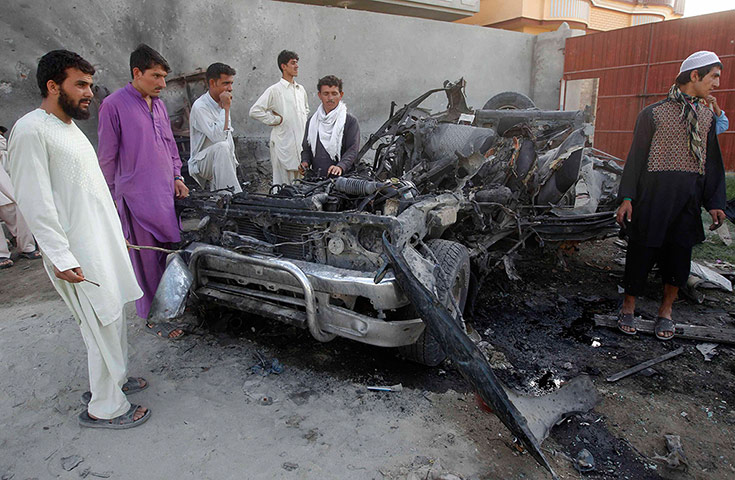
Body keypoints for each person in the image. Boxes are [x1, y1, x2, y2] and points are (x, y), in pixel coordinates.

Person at [7, 50, 149, 428]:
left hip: (101, 243)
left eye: (90, 84)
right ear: (53, 86)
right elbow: (34, 202)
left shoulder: (68, 128)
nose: (89, 92)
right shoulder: (30, 130)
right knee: (98, 323)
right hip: (76, 252)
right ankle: (105, 407)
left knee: (112, 314)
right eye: (80, 85)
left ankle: (114, 381)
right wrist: (59, 255)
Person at [616, 50, 726, 341]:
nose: (716, 83)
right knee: (641, 252)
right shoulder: (652, 114)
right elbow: (636, 159)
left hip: (688, 200)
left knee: (679, 256)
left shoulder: (707, 118)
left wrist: (715, 203)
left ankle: (665, 312)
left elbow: (713, 162)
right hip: (653, 198)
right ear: (694, 76)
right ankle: (628, 305)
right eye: (713, 76)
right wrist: (627, 198)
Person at [97, 44, 187, 338]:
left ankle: (171, 305)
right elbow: (107, 159)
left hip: (165, 195)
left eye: (164, 77)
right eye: (156, 76)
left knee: (169, 255)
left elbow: (170, 145)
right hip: (136, 198)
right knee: (146, 261)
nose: (163, 83)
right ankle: (155, 318)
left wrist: (177, 175)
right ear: (137, 73)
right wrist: (110, 203)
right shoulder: (113, 105)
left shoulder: (158, 104)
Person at [249, 50, 309, 186]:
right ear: (283, 66)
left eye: (297, 63)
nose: (296, 66)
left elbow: (305, 109)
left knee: (302, 184)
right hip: (283, 143)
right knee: (283, 185)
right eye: (293, 63)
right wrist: (275, 120)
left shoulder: (301, 90)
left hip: (301, 144)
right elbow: (255, 111)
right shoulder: (274, 90)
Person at [188, 62, 242, 194]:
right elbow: (218, 137)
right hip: (202, 162)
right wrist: (226, 109)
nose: (230, 88)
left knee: (224, 149)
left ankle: (223, 203)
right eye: (225, 83)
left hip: (222, 157)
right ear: (212, 83)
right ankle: (235, 196)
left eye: (231, 83)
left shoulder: (222, 103)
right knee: (222, 147)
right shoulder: (200, 106)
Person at [300, 75, 360, 178]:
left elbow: (352, 150)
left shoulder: (350, 122)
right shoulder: (312, 122)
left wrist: (340, 166)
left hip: (343, 180)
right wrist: (305, 162)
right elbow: (306, 149)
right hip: (316, 179)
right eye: (326, 94)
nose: (330, 98)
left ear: (341, 95)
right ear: (319, 95)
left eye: (334, 94)